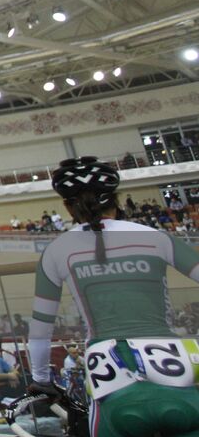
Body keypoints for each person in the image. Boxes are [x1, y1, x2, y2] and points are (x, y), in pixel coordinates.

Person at [27, 156, 199, 435]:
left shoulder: (57, 250)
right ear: (116, 200)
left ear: (68, 206)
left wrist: (41, 379)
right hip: (174, 365)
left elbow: (40, 329)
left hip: (108, 371)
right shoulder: (156, 236)